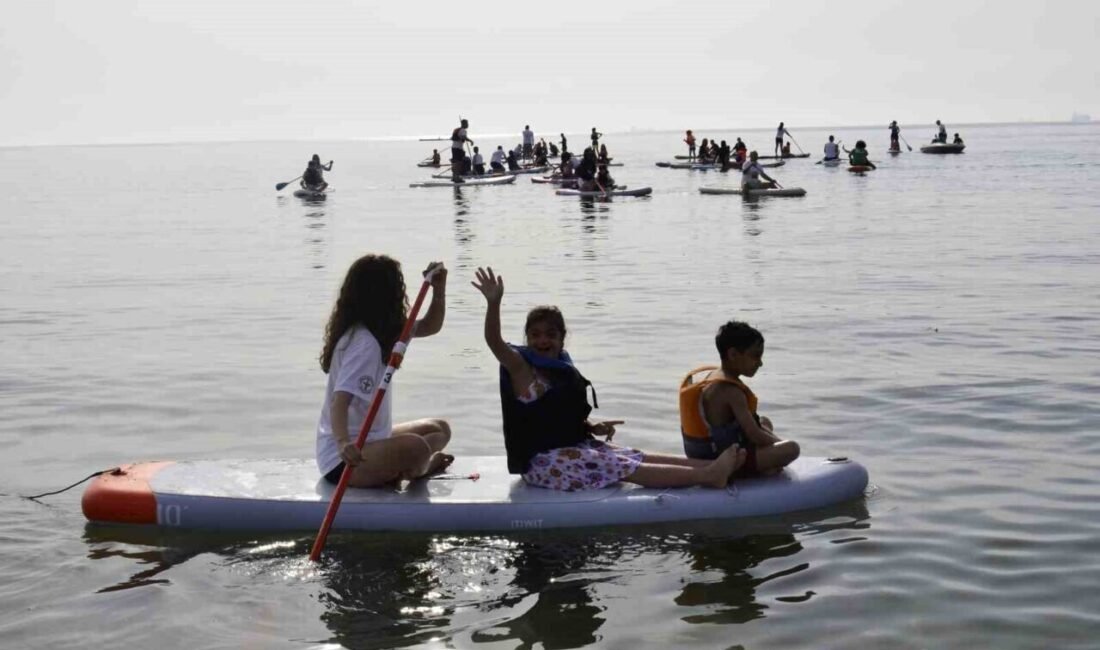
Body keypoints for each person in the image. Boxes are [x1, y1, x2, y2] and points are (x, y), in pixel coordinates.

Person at [471, 266, 745, 491]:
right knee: (622, 466)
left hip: (571, 448)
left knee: (629, 454)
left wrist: (589, 425)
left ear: (561, 338)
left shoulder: (560, 366)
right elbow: (494, 342)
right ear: (527, 339)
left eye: (550, 334)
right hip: (543, 463)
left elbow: (553, 416)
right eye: (535, 334)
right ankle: (709, 475)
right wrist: (494, 303)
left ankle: (713, 464)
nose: (543, 340)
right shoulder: (523, 369)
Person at [316, 255, 453, 488]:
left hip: (373, 438)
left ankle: (401, 466)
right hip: (345, 460)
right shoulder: (364, 343)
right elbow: (339, 402)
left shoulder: (388, 330)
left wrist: (438, 291)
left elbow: (431, 326)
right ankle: (423, 468)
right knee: (417, 447)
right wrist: (343, 443)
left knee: (439, 429)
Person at [679, 321, 800, 475]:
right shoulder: (731, 391)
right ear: (733, 354)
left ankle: (765, 464)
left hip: (702, 452)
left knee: (765, 421)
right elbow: (754, 434)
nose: (760, 363)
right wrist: (780, 445)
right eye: (755, 356)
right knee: (792, 448)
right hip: (720, 459)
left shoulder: (712, 376)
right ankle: (759, 469)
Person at [451, 118, 474, 183]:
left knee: (455, 163)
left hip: (453, 148)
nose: (468, 125)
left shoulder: (456, 129)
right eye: (467, 123)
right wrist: (470, 141)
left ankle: (454, 177)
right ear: (464, 124)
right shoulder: (463, 130)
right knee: (459, 163)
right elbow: (464, 137)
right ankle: (457, 178)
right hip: (458, 148)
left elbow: (454, 138)